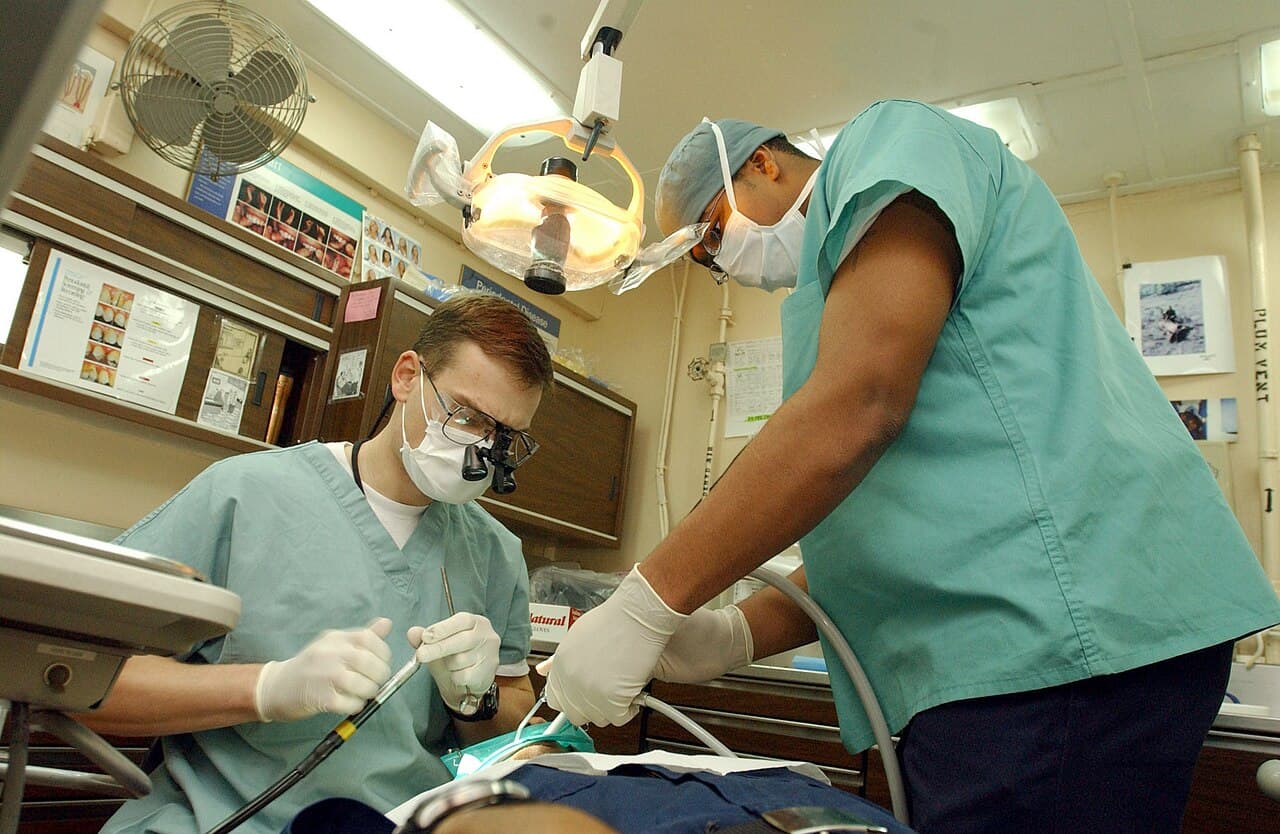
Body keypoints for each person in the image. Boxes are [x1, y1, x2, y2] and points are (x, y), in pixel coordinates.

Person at [542, 100, 1280, 833]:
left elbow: (858, 404)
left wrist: (649, 599)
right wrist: (734, 634)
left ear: (762, 164)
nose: (719, 264)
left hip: (1066, 645)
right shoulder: (834, 296)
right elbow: (888, 541)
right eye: (703, 262)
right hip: (1033, 652)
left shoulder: (891, 141)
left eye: (711, 235)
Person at [79, 294, 555, 834]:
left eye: (503, 437)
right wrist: (265, 689)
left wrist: (476, 702)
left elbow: (516, 729)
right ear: (406, 378)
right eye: (465, 416)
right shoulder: (245, 494)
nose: (480, 450)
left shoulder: (495, 553)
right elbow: (80, 678)